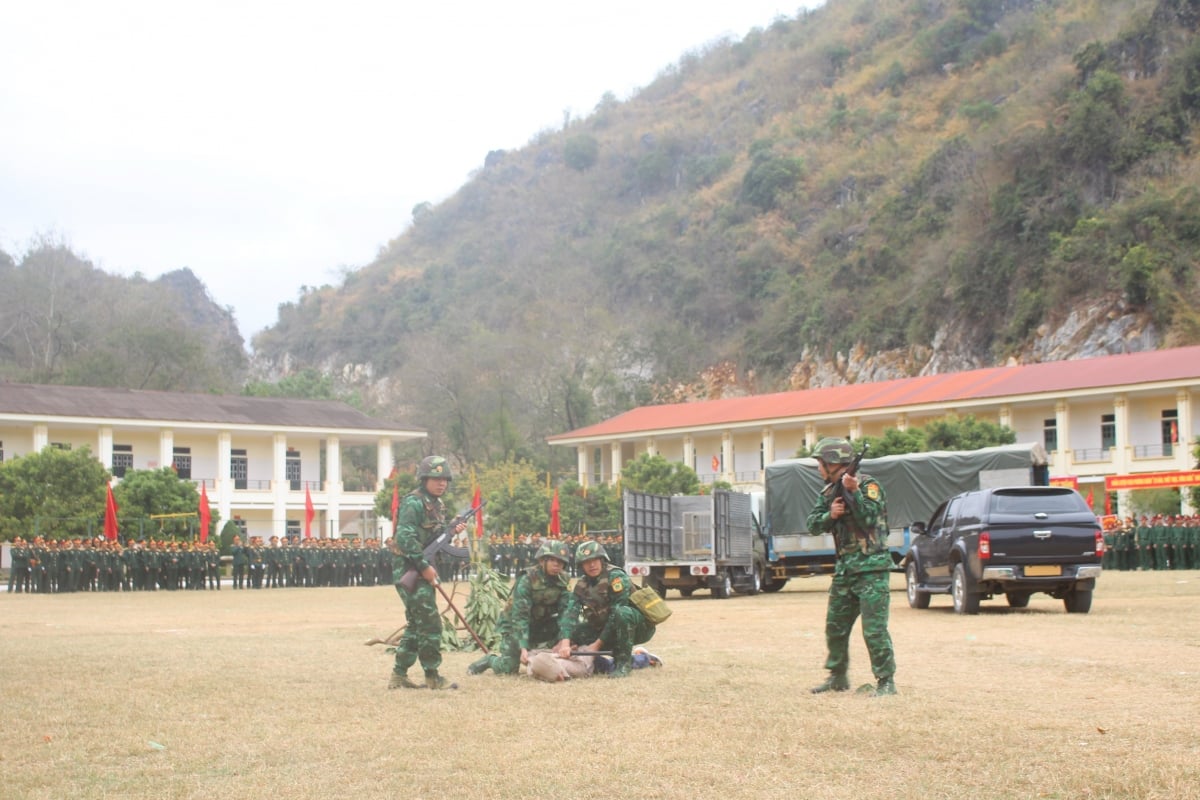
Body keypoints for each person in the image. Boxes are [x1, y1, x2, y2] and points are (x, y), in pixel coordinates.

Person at [806, 437, 897, 696]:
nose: (818, 468)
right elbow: (812, 524)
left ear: (832, 463)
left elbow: (869, 517)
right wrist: (829, 515)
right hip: (845, 570)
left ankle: (886, 682)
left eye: (820, 463)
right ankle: (837, 677)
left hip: (872, 569)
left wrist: (854, 492)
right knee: (835, 626)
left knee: (874, 630)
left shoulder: (869, 486)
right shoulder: (828, 492)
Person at [388, 455, 466, 691]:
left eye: (445, 479)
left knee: (415, 625)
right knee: (430, 623)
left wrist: (452, 529)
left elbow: (435, 537)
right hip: (410, 569)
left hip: (421, 566)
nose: (441, 483)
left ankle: (398, 675)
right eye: (436, 478)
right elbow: (405, 538)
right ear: (424, 479)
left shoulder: (437, 505)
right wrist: (424, 567)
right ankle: (432, 676)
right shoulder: (414, 503)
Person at [468, 539, 572, 676]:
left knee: (575, 628)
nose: (557, 564)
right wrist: (524, 647)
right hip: (515, 626)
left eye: (561, 561)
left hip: (542, 624)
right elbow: (520, 616)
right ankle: (489, 660)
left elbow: (566, 612)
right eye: (553, 560)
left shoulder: (564, 579)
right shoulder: (527, 579)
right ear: (542, 561)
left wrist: (564, 641)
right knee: (507, 670)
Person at [555, 539, 655, 677]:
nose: (591, 564)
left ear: (602, 560)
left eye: (595, 559)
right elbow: (570, 613)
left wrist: (596, 645)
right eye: (586, 562)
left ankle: (624, 664)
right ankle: (631, 660)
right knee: (577, 633)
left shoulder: (616, 577)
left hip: (636, 628)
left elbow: (616, 613)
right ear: (581, 565)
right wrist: (565, 642)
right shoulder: (582, 584)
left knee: (622, 613)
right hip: (606, 629)